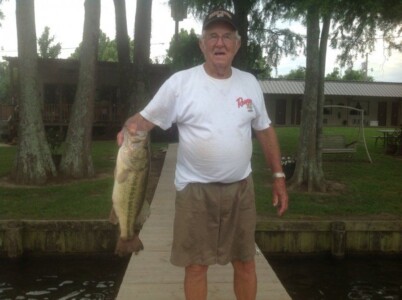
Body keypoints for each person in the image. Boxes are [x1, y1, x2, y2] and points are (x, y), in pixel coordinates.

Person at [117, 8, 288, 300]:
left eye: (226, 36)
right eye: (212, 36)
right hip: (194, 190)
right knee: (196, 267)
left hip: (241, 190)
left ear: (237, 43)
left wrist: (278, 176)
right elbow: (145, 119)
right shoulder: (180, 83)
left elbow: (264, 129)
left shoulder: (249, 83)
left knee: (246, 262)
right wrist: (128, 127)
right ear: (202, 44)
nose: (219, 43)